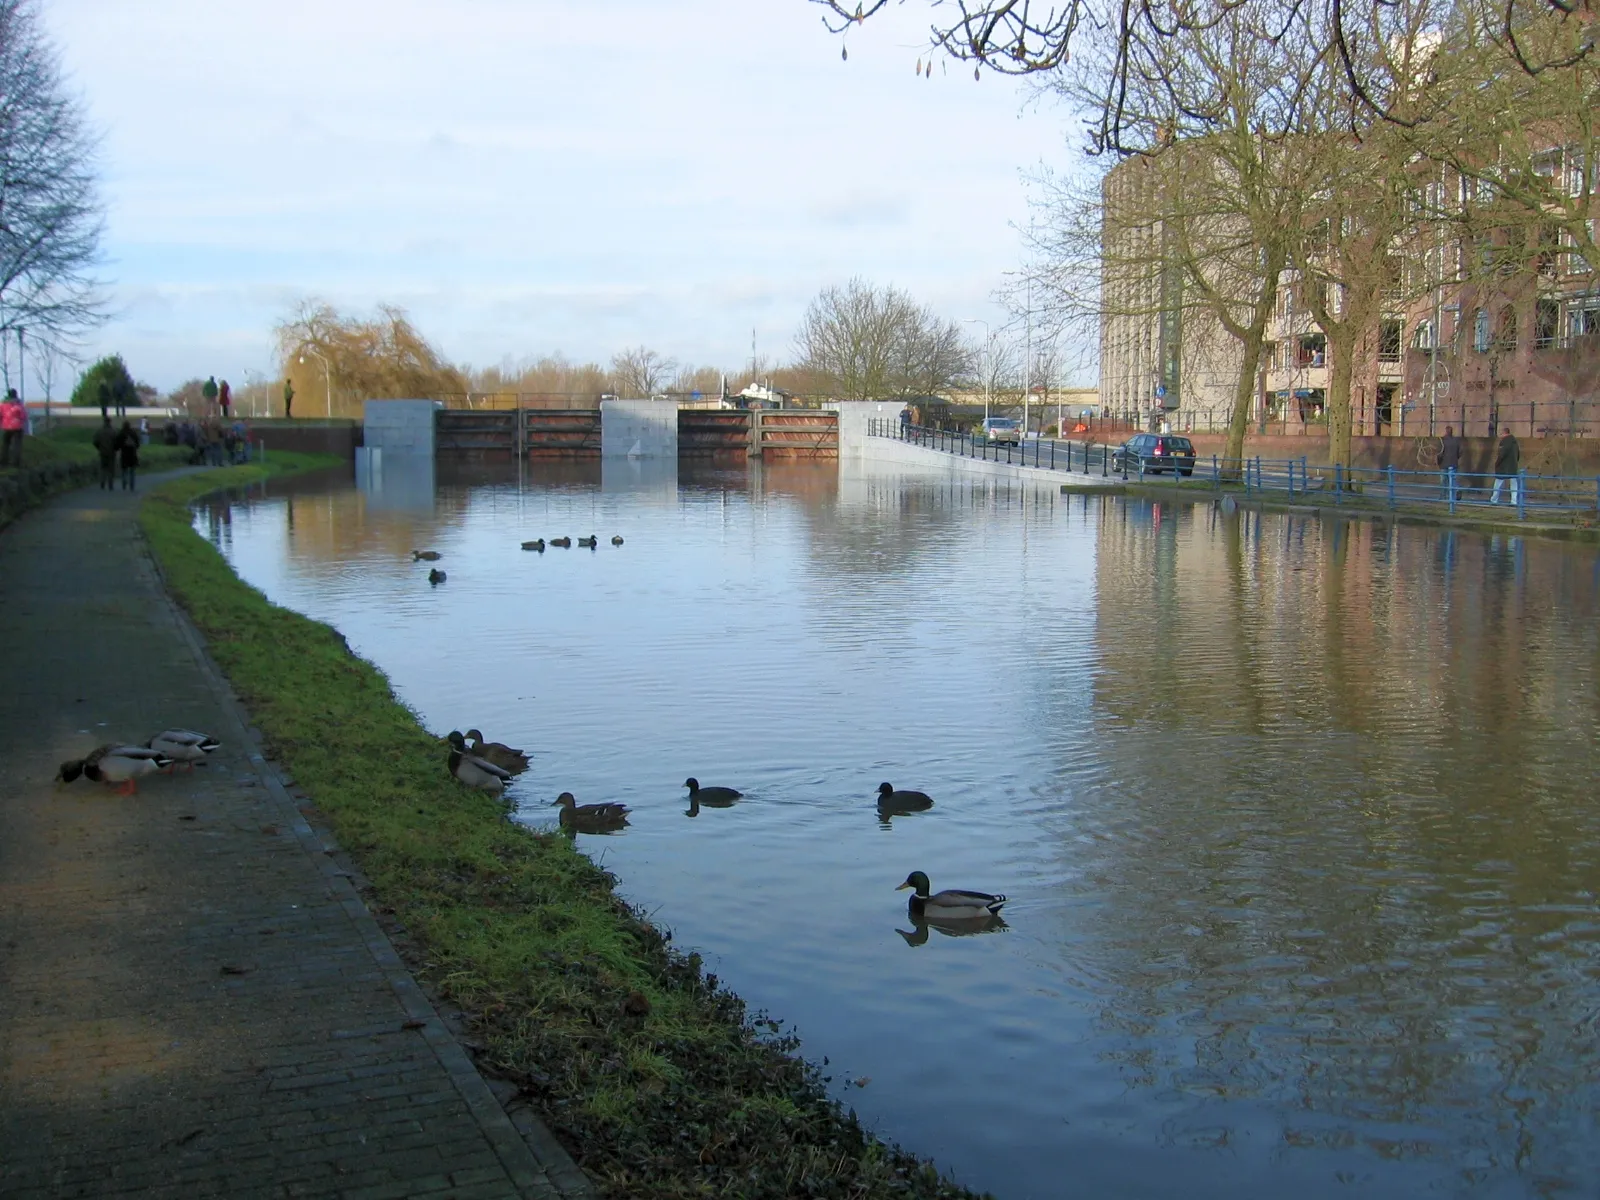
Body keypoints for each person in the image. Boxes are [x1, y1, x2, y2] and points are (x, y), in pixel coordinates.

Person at [1490, 425, 1521, 506]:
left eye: (1501, 434)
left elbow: (1501, 454)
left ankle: (1494, 500)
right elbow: (1518, 454)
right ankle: (1514, 501)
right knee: (1514, 485)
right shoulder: (1515, 442)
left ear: (1504, 433)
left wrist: (1497, 463)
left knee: (1498, 483)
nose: (1500, 436)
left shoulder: (1504, 442)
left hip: (1503, 467)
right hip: (1513, 466)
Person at [92, 416, 118, 490]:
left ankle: (102, 482)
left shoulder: (99, 431)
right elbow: (117, 442)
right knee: (111, 469)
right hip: (111, 452)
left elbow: (95, 442)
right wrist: (115, 449)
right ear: (110, 422)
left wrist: (99, 448)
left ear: (104, 422)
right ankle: (110, 484)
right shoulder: (113, 431)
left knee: (103, 468)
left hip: (102, 452)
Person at [0, 388, 24, 467]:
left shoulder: (3, 404)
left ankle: (4, 461)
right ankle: (16, 463)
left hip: (6, 427)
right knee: (17, 445)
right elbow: (23, 416)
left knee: (5, 444)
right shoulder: (19, 404)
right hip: (17, 427)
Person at [116, 420, 140, 491]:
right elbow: (137, 444)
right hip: (132, 454)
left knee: (124, 470)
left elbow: (117, 445)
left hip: (124, 454)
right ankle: (132, 485)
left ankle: (124, 482)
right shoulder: (133, 433)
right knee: (132, 471)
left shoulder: (121, 433)